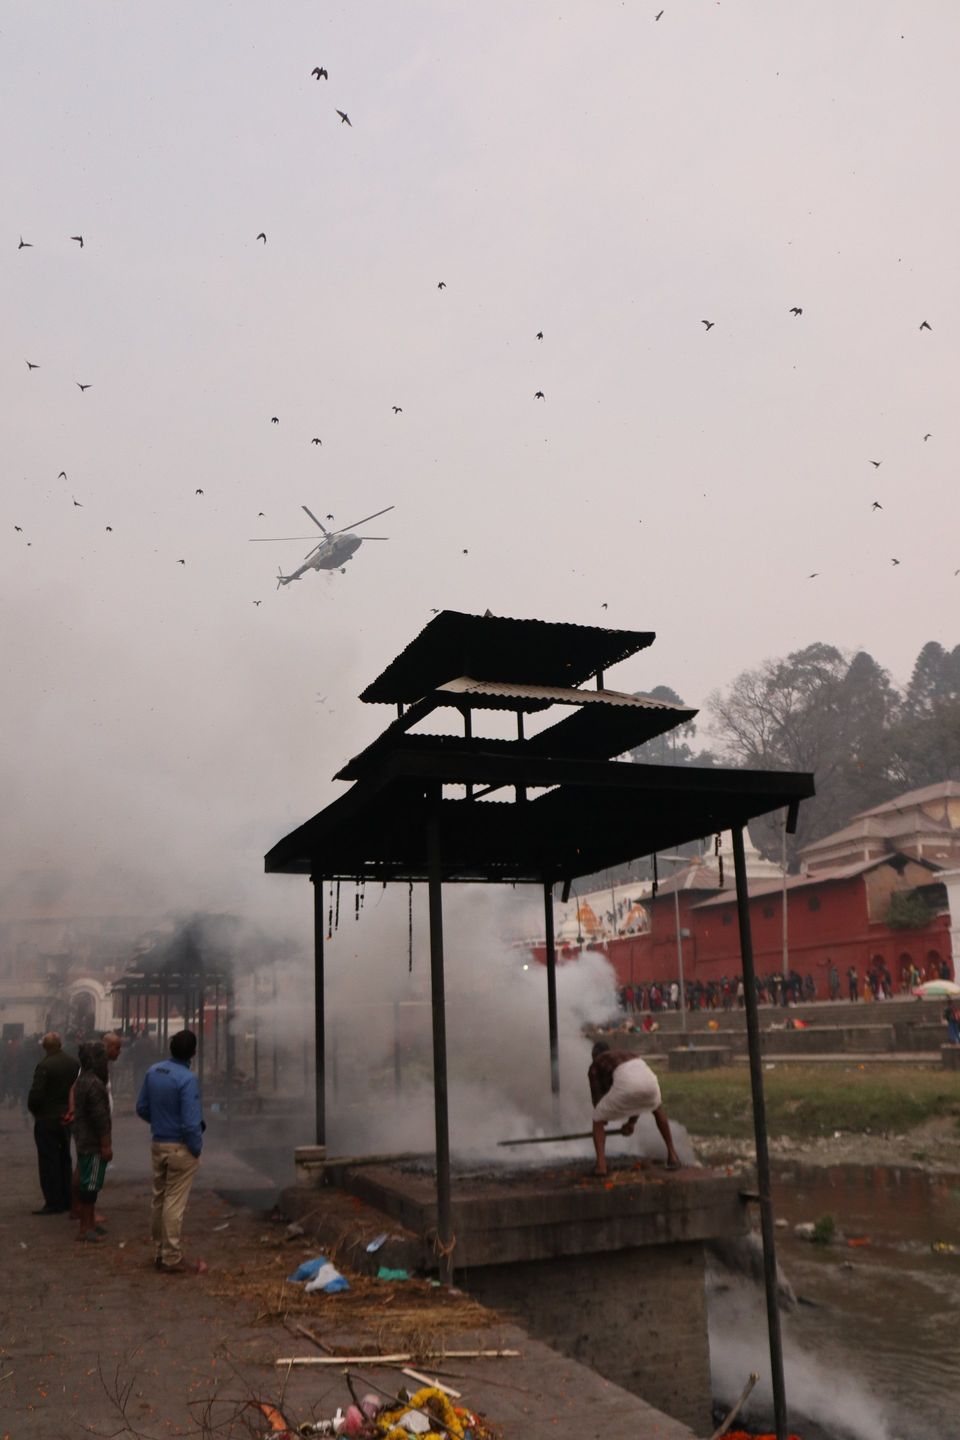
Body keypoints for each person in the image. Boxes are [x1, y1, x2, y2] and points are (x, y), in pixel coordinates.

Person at [136, 1030, 206, 1274]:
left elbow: (141, 1107)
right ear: (193, 1053)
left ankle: (159, 1250)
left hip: (158, 1143)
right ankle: (172, 1257)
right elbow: (190, 1122)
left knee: (159, 1198)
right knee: (174, 1203)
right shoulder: (187, 1079)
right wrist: (195, 1149)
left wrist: (160, 1123)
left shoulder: (154, 1071)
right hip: (180, 1146)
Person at [587, 1041, 680, 1177]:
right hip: (651, 1083)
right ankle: (673, 1156)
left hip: (629, 1084)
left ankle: (601, 1166)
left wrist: (603, 1119)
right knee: (657, 1109)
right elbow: (638, 1097)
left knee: (597, 1119)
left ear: (594, 1055)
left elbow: (597, 1097)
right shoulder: (627, 1054)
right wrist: (631, 1123)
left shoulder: (596, 1063)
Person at [27, 1032, 79, 1215]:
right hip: (66, 1117)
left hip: (47, 1118)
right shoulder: (73, 1063)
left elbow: (36, 1095)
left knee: (48, 1161)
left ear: (45, 1047)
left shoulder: (45, 1065)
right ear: (61, 1044)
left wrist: (34, 1110)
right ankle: (67, 1199)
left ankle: (53, 1202)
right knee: (65, 1158)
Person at [73, 1042, 112, 1242]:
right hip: (92, 1143)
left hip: (82, 1138)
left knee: (88, 1183)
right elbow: (99, 1117)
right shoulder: (95, 1084)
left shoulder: (82, 1080)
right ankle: (86, 1227)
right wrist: (105, 1144)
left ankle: (90, 1225)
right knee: (91, 1187)